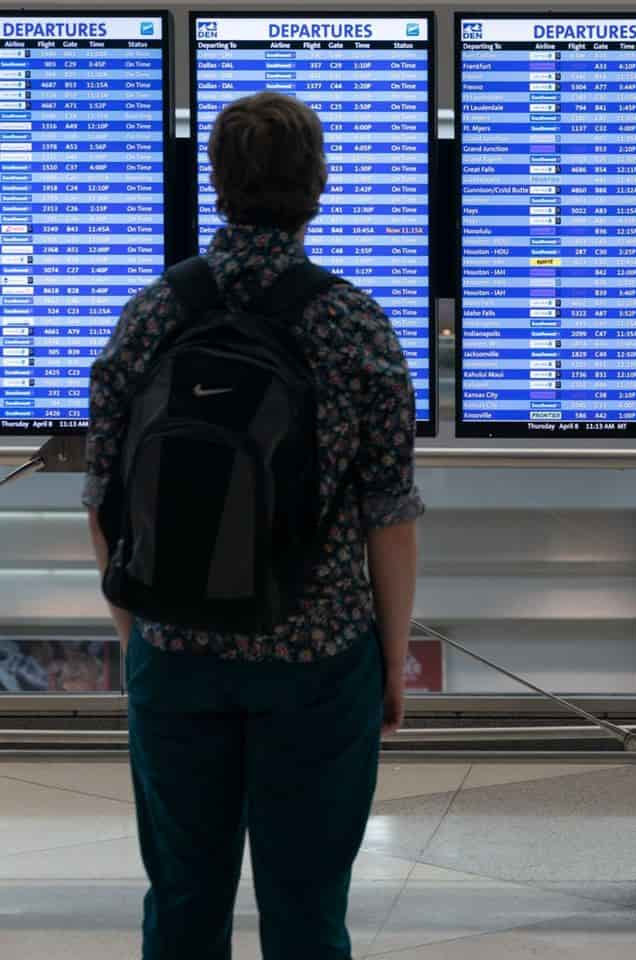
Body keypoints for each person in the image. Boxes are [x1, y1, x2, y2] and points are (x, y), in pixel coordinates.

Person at [82, 91, 423, 959]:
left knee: (185, 896)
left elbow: (101, 498)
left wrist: (143, 635)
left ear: (218, 184)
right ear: (318, 186)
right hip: (318, 659)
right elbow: (389, 517)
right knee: (307, 907)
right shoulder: (355, 326)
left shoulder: (154, 314)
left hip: (178, 652)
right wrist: (388, 660)